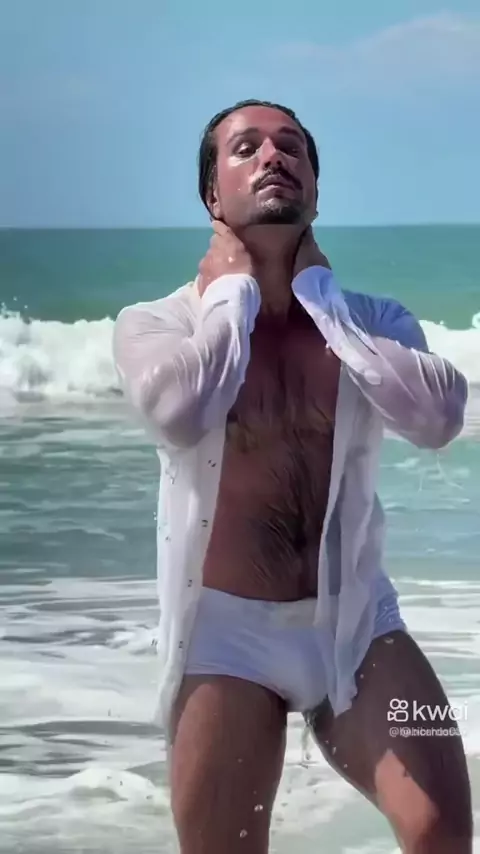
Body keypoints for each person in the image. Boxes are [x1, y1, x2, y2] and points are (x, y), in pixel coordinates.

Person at [113, 99, 472, 853]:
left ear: (315, 187)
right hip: (225, 637)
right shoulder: (156, 323)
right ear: (212, 195)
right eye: (245, 148)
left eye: (291, 148)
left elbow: (438, 418)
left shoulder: (371, 320)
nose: (273, 157)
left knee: (443, 831)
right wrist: (233, 294)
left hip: (359, 622)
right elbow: (179, 411)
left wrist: (322, 305)